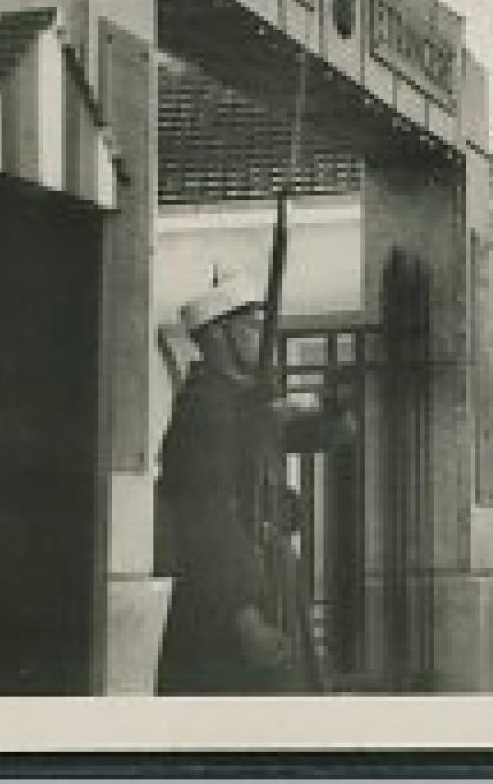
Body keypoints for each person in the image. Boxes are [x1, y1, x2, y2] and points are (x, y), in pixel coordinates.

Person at [154, 280, 346, 694]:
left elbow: (315, 436)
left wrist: (335, 411)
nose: (266, 339)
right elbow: (207, 518)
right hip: (226, 600)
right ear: (218, 336)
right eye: (254, 328)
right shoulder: (205, 409)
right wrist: (243, 615)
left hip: (264, 581)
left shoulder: (243, 403)